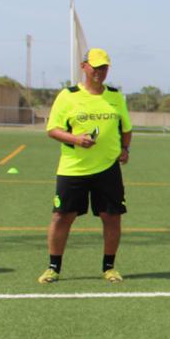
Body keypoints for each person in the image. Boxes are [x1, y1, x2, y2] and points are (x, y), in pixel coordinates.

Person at [39, 48, 133, 284]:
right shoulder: (68, 95)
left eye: (104, 67)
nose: (100, 72)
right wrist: (76, 139)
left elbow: (127, 128)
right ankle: (53, 267)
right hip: (74, 169)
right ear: (84, 67)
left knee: (112, 217)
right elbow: (52, 129)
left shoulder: (115, 96)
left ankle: (109, 267)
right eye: (96, 67)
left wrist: (125, 149)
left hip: (108, 169)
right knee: (62, 217)